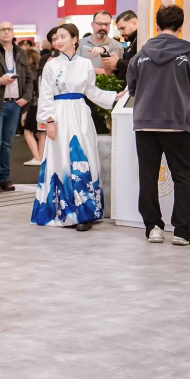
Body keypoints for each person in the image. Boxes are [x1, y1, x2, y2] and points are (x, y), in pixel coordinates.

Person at [128, 5, 190, 245]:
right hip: (178, 124)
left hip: (145, 124)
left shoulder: (140, 56)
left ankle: (153, 228)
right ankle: (181, 231)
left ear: (157, 26)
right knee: (182, 176)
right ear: (181, 27)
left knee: (148, 176)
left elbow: (133, 90)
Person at [32, 24, 124, 231]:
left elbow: (91, 91)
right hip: (59, 114)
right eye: (56, 38)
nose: (58, 41)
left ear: (75, 39)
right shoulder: (51, 65)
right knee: (62, 159)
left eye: (62, 36)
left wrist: (114, 97)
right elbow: (45, 95)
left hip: (81, 115)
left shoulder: (85, 64)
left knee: (84, 158)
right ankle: (64, 212)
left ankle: (85, 213)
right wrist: (49, 121)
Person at [0, 21, 33, 193]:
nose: (6, 32)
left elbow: (29, 79)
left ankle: (5, 178)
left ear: (13, 32)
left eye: (9, 29)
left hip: (15, 104)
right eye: (2, 29)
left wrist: (25, 98)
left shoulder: (21, 53)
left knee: (7, 144)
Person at [22, 49, 43, 166]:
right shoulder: (42, 71)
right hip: (44, 104)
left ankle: (37, 157)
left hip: (33, 105)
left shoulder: (28, 72)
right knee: (42, 132)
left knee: (28, 132)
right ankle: (41, 157)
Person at [105, 10, 139, 82]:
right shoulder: (133, 42)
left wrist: (118, 62)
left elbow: (141, 66)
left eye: (123, 28)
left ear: (135, 23)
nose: (121, 33)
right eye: (119, 30)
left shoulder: (142, 41)